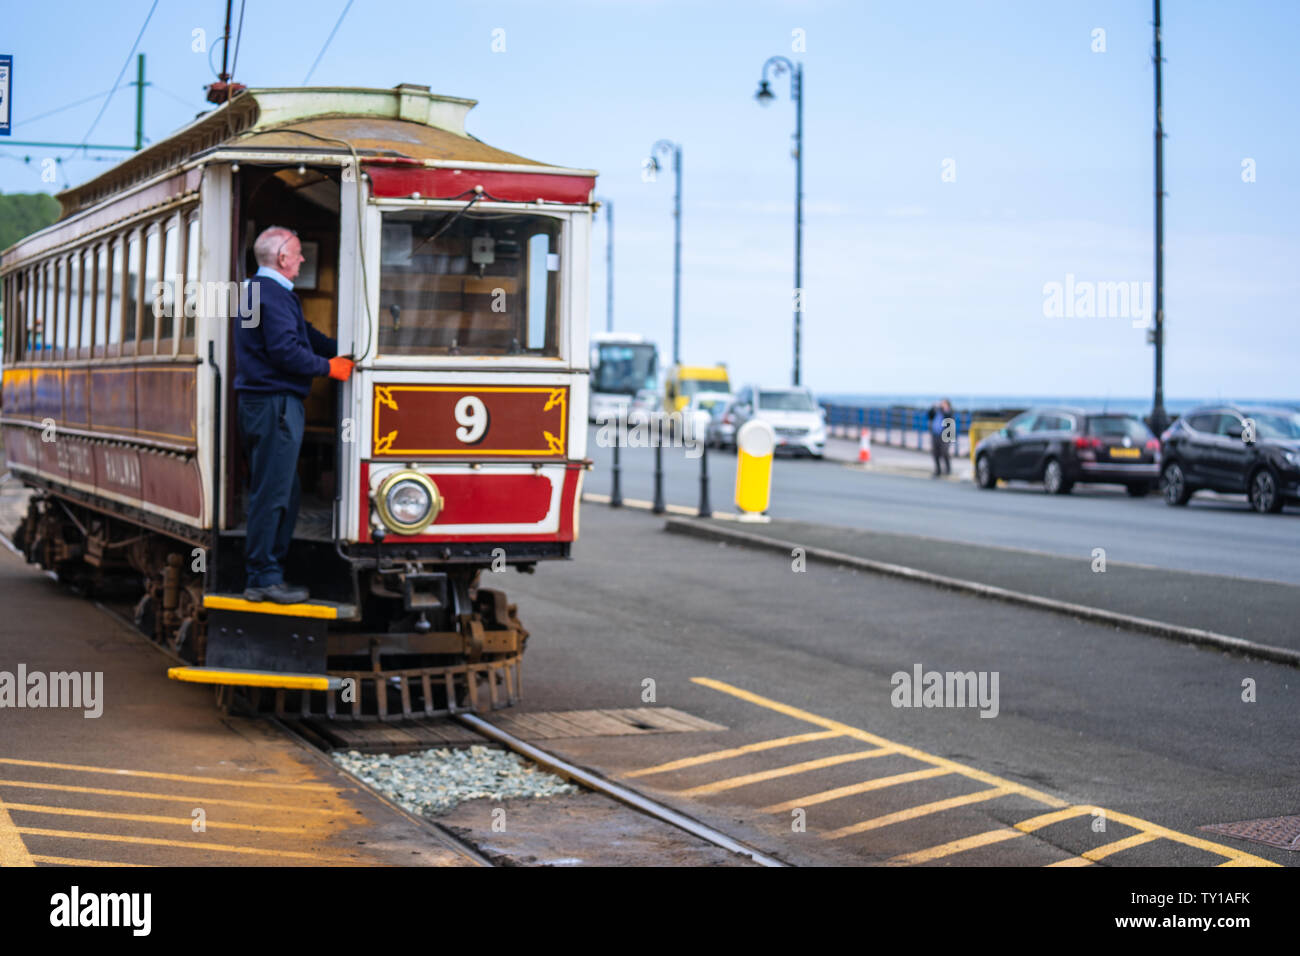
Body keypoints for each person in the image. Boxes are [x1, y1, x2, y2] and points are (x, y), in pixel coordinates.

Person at [235, 226, 354, 603]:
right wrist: (329, 368)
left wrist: (347, 349)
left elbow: (304, 335)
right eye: (299, 253)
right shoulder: (271, 296)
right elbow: (286, 352)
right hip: (275, 405)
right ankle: (262, 577)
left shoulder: (256, 292)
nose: (303, 259)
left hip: (262, 404)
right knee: (273, 493)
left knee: (283, 490)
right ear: (282, 258)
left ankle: (268, 572)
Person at [928, 398, 953, 477]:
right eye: (941, 403)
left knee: (944, 452)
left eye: (944, 403)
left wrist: (944, 409)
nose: (942, 405)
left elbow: (948, 418)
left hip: (946, 434)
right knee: (935, 453)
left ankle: (948, 469)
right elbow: (929, 415)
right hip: (935, 434)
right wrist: (933, 407)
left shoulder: (948, 412)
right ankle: (938, 470)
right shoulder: (937, 411)